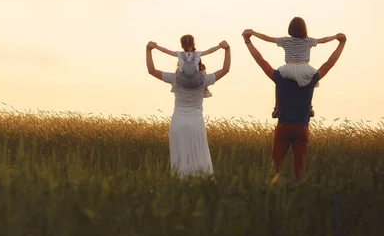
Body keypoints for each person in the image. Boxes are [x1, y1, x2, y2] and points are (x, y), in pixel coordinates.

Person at [241, 29, 346, 181]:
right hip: (301, 128)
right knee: (300, 172)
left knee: (276, 169)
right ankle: (298, 198)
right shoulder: (311, 78)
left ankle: (274, 196)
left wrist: (248, 41)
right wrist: (341, 44)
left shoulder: (280, 77)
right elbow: (329, 63)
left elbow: (261, 61)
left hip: (283, 127)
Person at [146, 39, 231, 179]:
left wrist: (148, 50)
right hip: (196, 122)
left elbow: (151, 70)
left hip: (178, 121)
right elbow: (225, 69)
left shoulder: (174, 78)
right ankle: (201, 184)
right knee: (199, 155)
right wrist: (227, 50)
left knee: (180, 158)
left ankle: (181, 186)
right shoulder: (204, 80)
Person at [249, 17, 339, 118]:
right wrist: (335, 37)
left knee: (278, 83)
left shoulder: (285, 40)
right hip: (305, 68)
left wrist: (253, 33)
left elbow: (268, 38)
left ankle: (277, 107)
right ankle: (309, 107)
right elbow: (323, 40)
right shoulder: (309, 41)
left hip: (288, 68)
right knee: (311, 84)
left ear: (290, 29)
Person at [154, 35, 222, 89]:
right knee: (203, 71)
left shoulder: (180, 54)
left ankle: (175, 87)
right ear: (193, 44)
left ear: (182, 45)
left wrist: (156, 46)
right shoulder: (197, 54)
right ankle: (205, 88)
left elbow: (166, 51)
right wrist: (219, 46)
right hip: (195, 80)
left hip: (183, 80)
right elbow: (209, 51)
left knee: (177, 71)